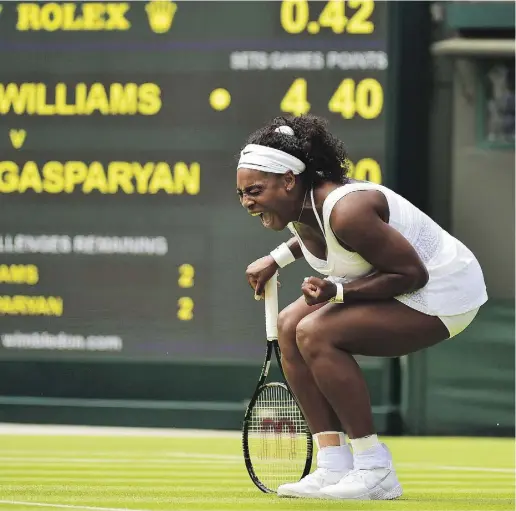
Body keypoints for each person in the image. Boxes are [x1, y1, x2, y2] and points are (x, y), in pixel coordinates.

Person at [235, 114, 488, 501]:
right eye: (242, 194)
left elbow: (411, 275)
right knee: (289, 324)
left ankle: (374, 469)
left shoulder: (347, 210)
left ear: (289, 181)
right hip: (394, 279)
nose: (247, 202)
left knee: (314, 331)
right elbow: (314, 234)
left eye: (254, 190)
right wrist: (276, 259)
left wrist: (336, 291)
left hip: (444, 290)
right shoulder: (299, 206)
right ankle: (333, 465)